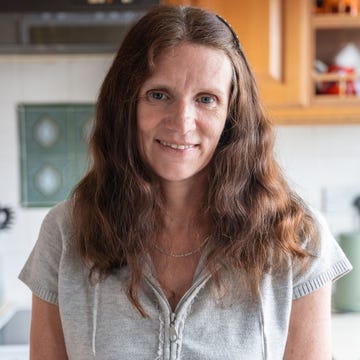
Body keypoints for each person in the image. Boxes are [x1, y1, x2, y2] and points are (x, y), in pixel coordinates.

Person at [19, 5, 352, 360]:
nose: (182, 122)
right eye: (159, 95)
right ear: (125, 106)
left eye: (206, 99)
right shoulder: (66, 232)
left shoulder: (297, 238)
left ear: (232, 115)